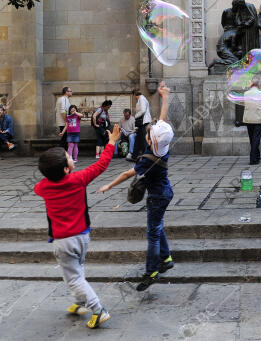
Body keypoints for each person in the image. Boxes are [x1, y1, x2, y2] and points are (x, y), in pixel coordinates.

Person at [34, 124, 121, 329]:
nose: (72, 159)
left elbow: (40, 186)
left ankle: (98, 310)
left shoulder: (43, 187)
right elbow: (101, 166)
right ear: (67, 168)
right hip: (83, 237)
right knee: (77, 271)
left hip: (63, 242)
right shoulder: (79, 179)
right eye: (69, 157)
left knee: (73, 278)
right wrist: (111, 143)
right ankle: (79, 302)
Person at [98, 82, 174, 291]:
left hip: (157, 196)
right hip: (165, 193)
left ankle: (151, 271)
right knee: (157, 226)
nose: (147, 135)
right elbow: (163, 122)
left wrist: (109, 186)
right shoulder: (163, 148)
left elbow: (125, 173)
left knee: (152, 233)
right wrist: (164, 98)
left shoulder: (148, 159)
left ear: (150, 141)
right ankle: (166, 258)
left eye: (148, 135)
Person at [243, 78, 261, 165]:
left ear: (251, 84)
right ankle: (253, 159)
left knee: (252, 138)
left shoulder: (246, 93)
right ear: (258, 85)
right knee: (256, 138)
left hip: (248, 119)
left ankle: (257, 156)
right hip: (258, 119)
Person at [131, 89, 151, 161]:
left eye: (134, 95)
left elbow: (143, 110)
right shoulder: (141, 99)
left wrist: (135, 116)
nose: (134, 97)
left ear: (135, 94)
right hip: (141, 123)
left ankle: (146, 157)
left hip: (144, 122)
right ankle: (134, 156)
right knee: (138, 139)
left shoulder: (141, 99)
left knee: (143, 140)